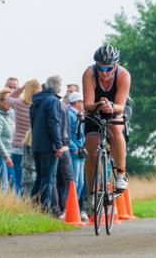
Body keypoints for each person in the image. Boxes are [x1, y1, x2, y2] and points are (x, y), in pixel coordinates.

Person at [82, 44, 131, 214]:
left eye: (108, 68)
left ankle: (120, 174)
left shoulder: (123, 75)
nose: (104, 72)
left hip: (115, 108)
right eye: (100, 67)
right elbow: (87, 104)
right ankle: (91, 194)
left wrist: (110, 106)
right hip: (94, 110)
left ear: (115, 65)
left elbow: (121, 105)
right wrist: (99, 105)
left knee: (116, 129)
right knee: (91, 149)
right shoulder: (89, 73)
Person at [30, 76, 67, 216]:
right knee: (48, 179)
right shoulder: (53, 101)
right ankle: (45, 211)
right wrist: (58, 145)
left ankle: (31, 207)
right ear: (57, 86)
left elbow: (33, 125)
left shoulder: (35, 102)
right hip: (49, 146)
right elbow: (54, 123)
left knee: (40, 177)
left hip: (37, 145)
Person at [8, 79, 41, 196]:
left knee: (17, 179)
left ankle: (18, 202)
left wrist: (20, 89)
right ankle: (30, 201)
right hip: (32, 144)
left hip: (17, 145)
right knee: (32, 176)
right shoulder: (39, 105)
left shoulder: (18, 103)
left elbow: (9, 97)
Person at [53, 78, 74, 217]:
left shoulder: (63, 108)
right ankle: (64, 208)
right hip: (63, 146)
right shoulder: (62, 108)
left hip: (62, 145)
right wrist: (64, 144)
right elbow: (62, 129)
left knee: (61, 179)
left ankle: (63, 208)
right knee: (67, 178)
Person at [68, 91, 88, 220]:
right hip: (75, 151)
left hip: (81, 151)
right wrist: (73, 147)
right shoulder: (69, 114)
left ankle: (78, 209)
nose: (83, 104)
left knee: (80, 182)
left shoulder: (80, 114)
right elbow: (66, 132)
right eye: (81, 101)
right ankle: (70, 209)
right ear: (76, 102)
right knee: (75, 181)